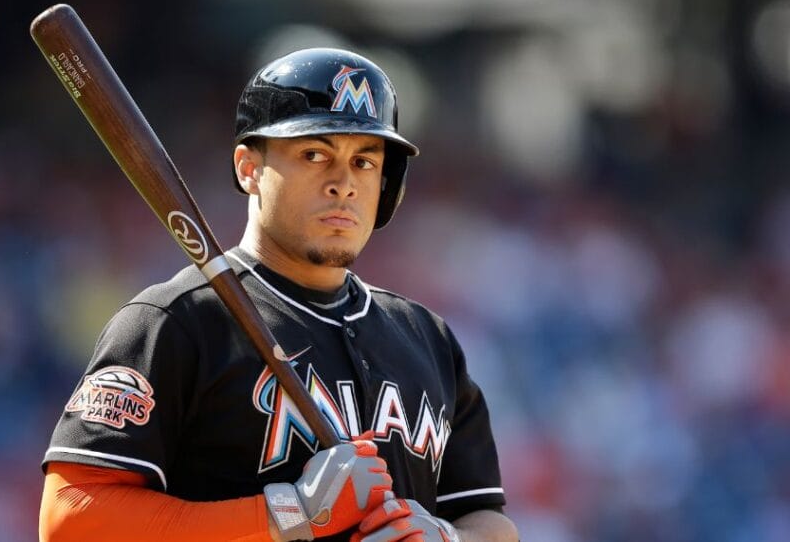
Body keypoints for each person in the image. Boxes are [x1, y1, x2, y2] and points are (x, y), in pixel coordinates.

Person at [39, 48, 519, 542]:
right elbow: (70, 518)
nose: (343, 184)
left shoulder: (426, 337)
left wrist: (449, 539)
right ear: (249, 167)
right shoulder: (175, 321)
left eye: (364, 161)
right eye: (315, 154)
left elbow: (489, 519)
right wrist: (289, 513)